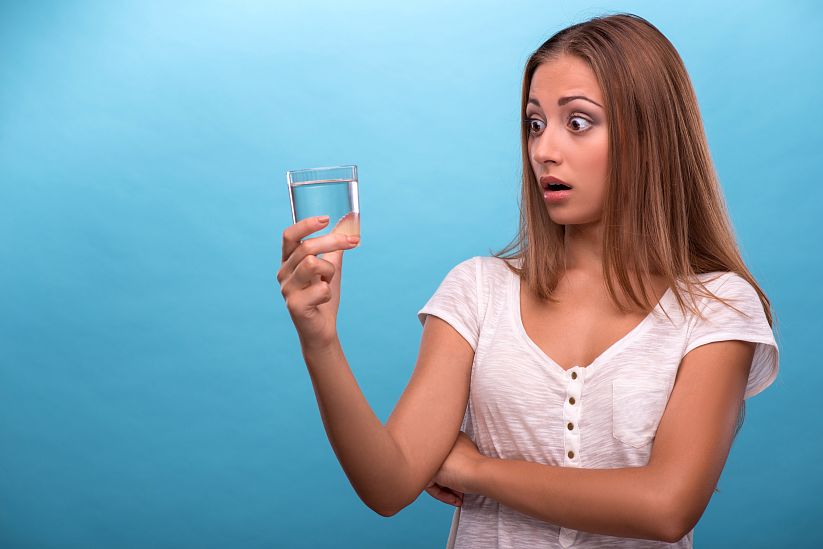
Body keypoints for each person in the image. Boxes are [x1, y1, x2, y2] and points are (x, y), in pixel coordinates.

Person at [276, 12, 780, 548]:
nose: (542, 150)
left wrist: (474, 469)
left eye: (578, 122)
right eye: (535, 123)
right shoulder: (478, 290)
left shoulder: (716, 307)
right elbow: (389, 483)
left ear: (649, 136)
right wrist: (320, 342)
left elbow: (666, 506)